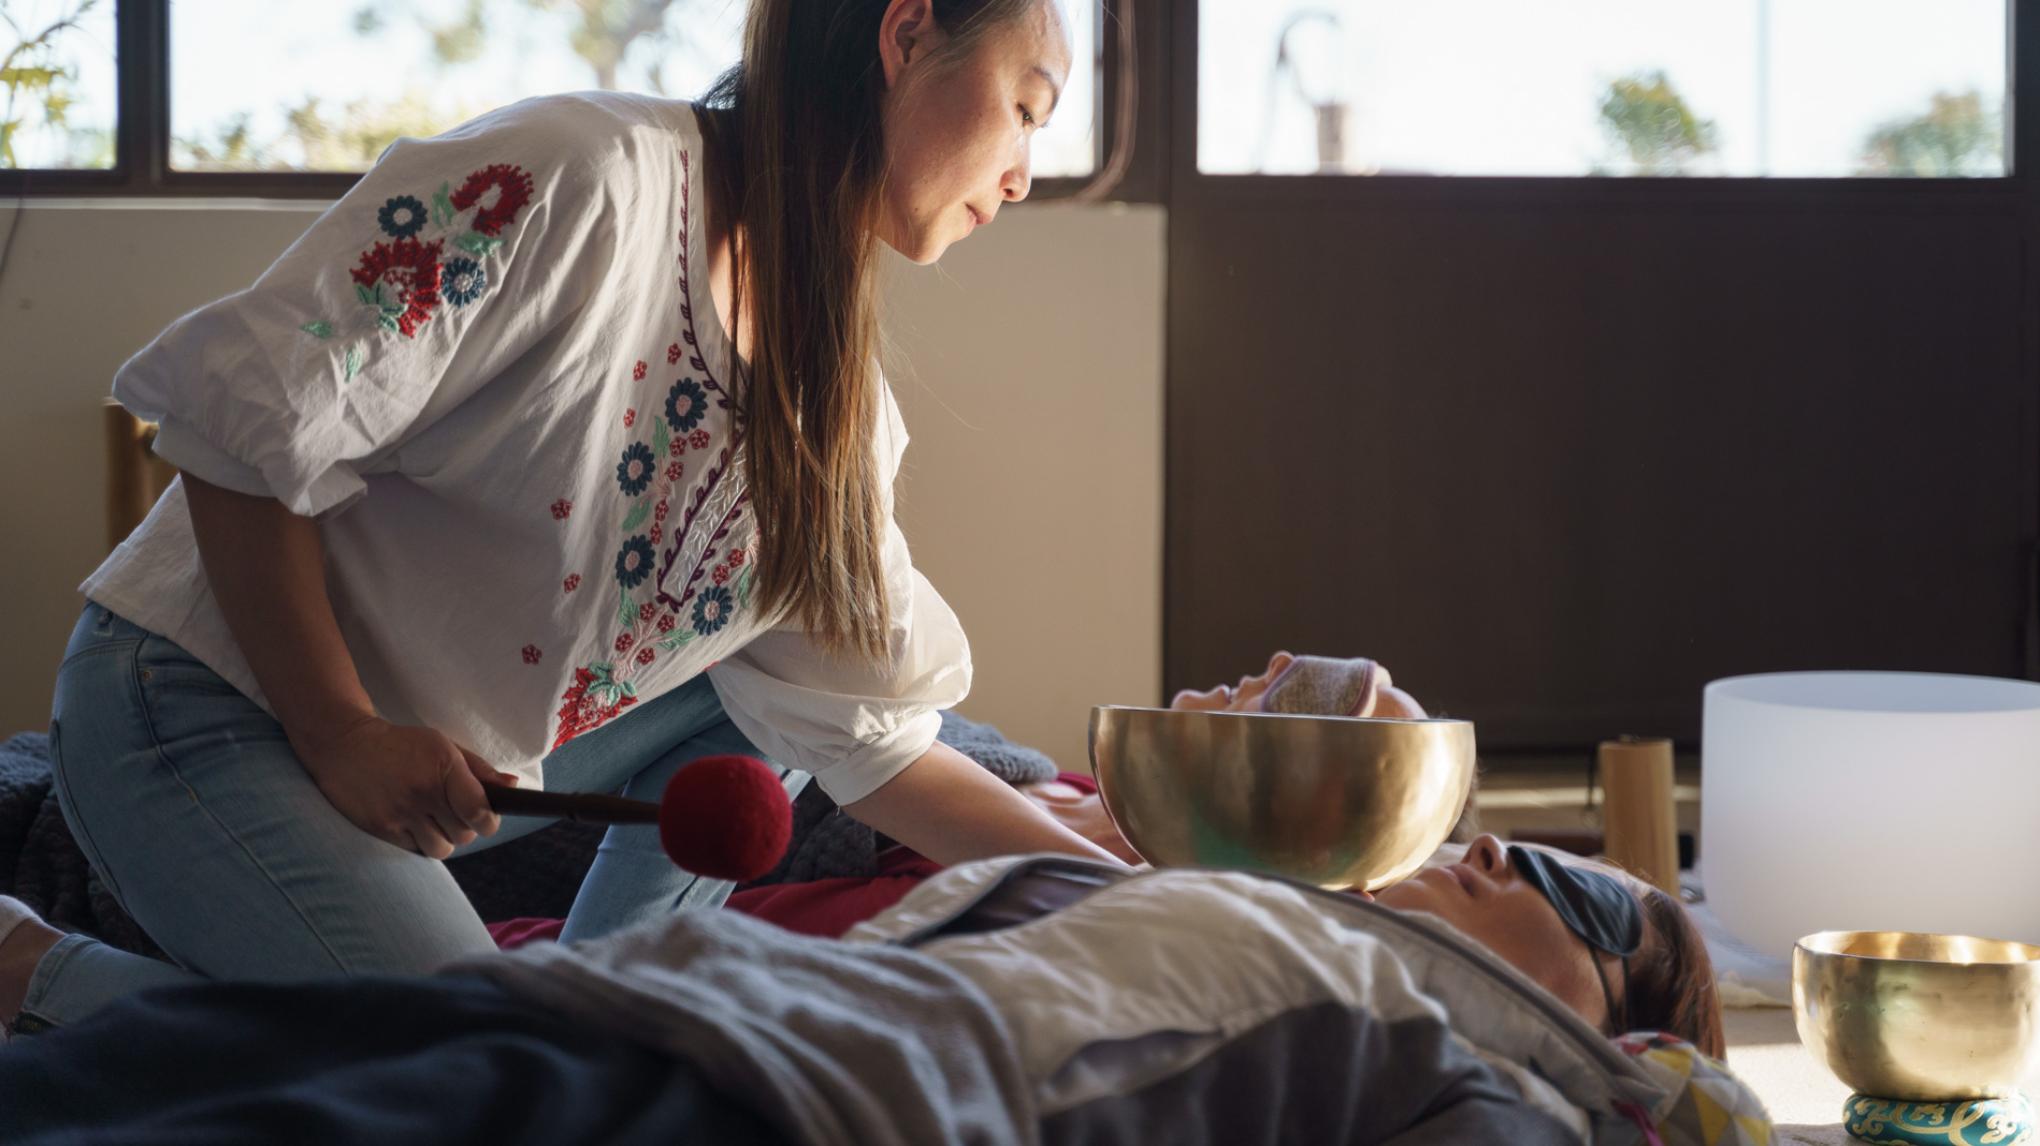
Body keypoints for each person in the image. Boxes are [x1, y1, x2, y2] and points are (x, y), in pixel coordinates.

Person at [2, 0, 1119, 1038]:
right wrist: (339, 730)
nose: (1023, 175)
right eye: (1026, 107)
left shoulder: (835, 413)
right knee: (468, 1074)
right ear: (908, 31)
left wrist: (1135, 897)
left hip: (444, 769)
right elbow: (234, 423)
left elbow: (875, 742)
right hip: (204, 698)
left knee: (772, 697)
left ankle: (600, 1010)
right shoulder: (587, 179)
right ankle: (30, 970)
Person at [0, 836, 1737, 1144]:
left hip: (809, 1110)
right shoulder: (1292, 925)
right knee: (150, 1063)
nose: (1508, 854)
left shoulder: (1473, 1071)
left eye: (1579, 888)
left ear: (1623, 1028)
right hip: (673, 993)